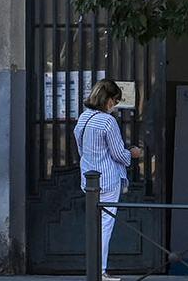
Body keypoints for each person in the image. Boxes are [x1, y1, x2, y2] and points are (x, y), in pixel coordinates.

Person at [76, 80, 143, 281]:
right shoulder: (107, 121)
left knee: (94, 225)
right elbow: (117, 154)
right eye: (115, 100)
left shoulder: (84, 118)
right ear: (108, 100)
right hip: (108, 179)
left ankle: (95, 269)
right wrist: (132, 153)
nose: (115, 105)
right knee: (105, 225)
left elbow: (80, 147)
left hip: (89, 180)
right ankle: (100, 270)